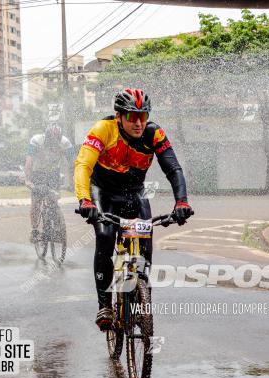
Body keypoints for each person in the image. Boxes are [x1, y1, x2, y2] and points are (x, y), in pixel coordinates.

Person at [74, 87, 193, 330]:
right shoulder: (102, 130)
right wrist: (85, 201)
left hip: (135, 192)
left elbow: (173, 169)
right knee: (105, 237)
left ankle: (141, 304)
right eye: (132, 116)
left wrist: (181, 201)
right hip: (103, 192)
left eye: (143, 116)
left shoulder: (154, 134)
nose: (138, 122)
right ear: (119, 116)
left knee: (145, 248)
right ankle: (104, 305)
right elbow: (83, 165)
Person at [26, 122, 73, 243]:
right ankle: (35, 230)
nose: (53, 146)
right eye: (50, 142)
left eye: (55, 142)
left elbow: (73, 162)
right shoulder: (36, 141)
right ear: (46, 137)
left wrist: (74, 180)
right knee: (36, 202)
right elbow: (29, 162)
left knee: (53, 200)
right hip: (38, 173)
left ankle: (56, 228)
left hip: (53, 174)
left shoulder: (65, 143)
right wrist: (28, 180)